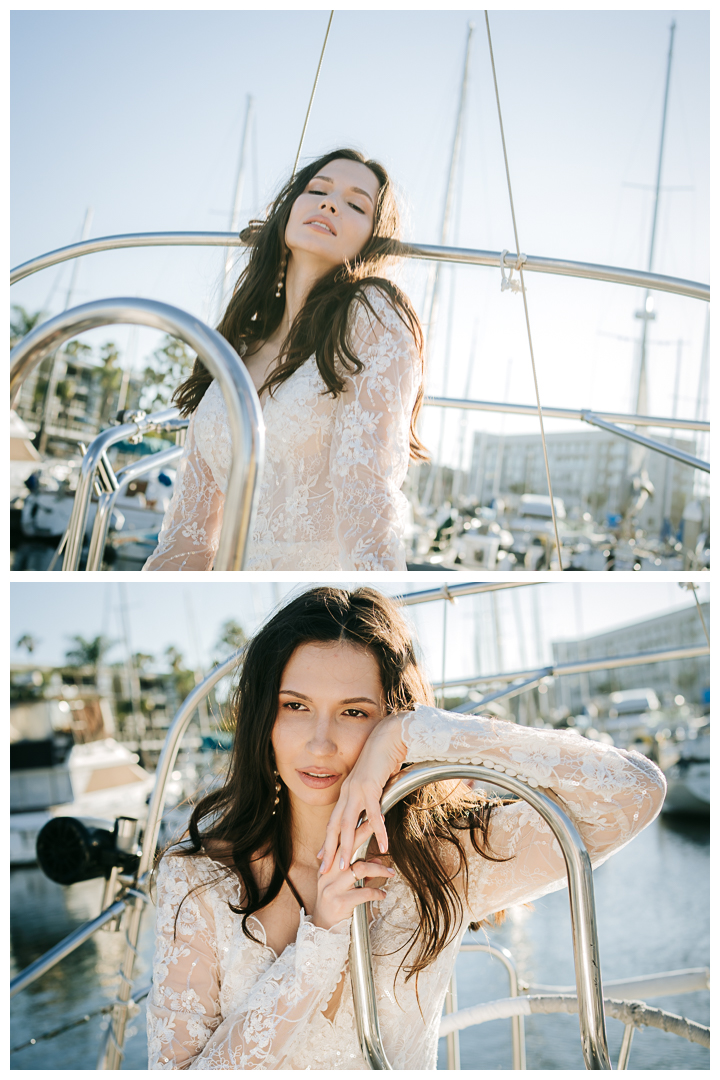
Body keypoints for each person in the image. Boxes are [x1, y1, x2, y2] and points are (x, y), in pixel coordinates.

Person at [147, 587, 666, 1070]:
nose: (321, 742)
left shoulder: (447, 856)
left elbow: (636, 790)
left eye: (354, 712)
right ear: (265, 715)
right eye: (296, 706)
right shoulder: (197, 881)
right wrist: (321, 939)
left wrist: (419, 731)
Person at [142, 149, 426, 572]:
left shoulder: (374, 314)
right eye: (318, 190)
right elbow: (188, 536)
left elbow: (366, 501)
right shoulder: (235, 347)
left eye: (355, 204)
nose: (329, 204)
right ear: (290, 209)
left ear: (373, 237)